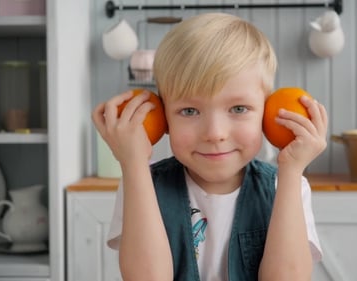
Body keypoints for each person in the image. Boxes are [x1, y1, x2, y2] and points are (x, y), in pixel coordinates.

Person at [92, 12, 328, 281]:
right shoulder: (140, 183)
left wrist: (292, 170)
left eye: (239, 108)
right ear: (162, 115)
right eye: (190, 111)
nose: (214, 133)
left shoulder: (287, 185)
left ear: (267, 112)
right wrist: (132, 163)